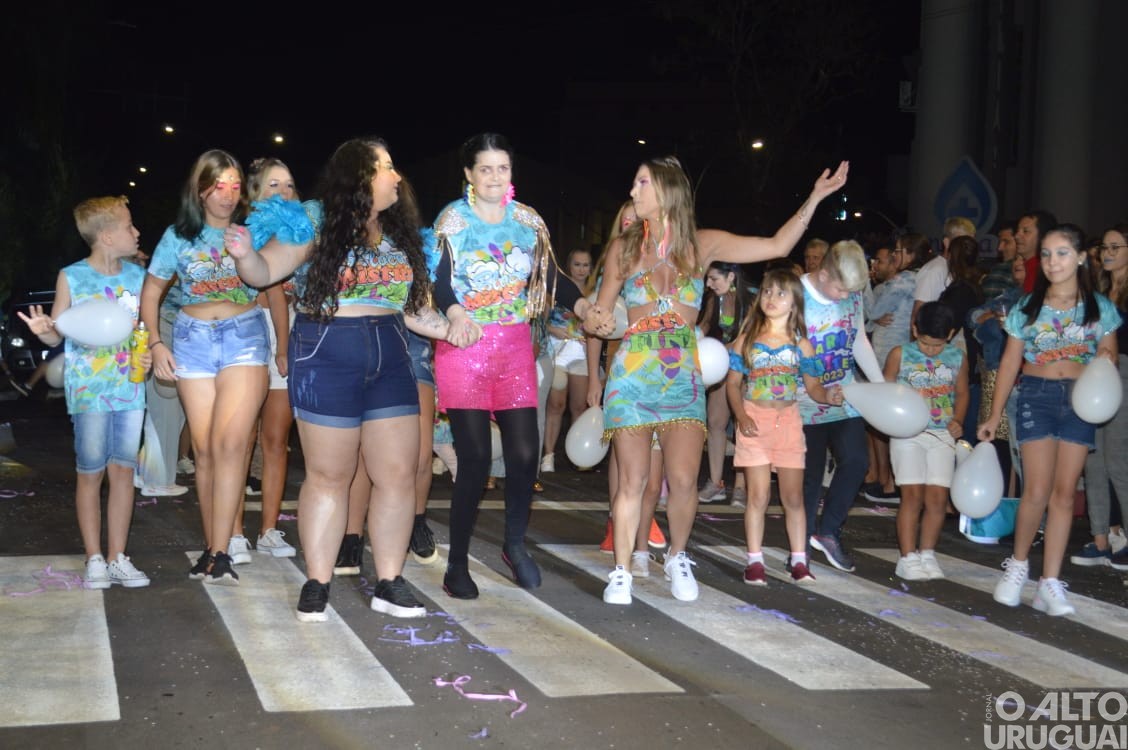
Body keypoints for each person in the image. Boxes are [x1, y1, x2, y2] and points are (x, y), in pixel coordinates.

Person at [227, 137, 470, 621]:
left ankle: (389, 581)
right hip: (327, 350)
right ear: (360, 175)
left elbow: (412, 308)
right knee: (329, 475)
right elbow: (265, 269)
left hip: (391, 352)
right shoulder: (316, 219)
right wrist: (243, 256)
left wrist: (452, 328)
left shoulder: (400, 232)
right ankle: (317, 583)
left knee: (398, 473)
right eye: (387, 167)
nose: (397, 176)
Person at [594, 154, 850, 605]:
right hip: (632, 375)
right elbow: (600, 310)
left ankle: (676, 557)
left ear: (667, 190)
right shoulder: (624, 248)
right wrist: (591, 316)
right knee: (633, 480)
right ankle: (622, 571)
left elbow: (777, 244)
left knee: (683, 480)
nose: (633, 192)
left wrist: (815, 198)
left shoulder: (703, 245)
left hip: (681, 378)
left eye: (642, 182)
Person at [431, 132, 598, 600]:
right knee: (475, 458)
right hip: (465, 349)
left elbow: (550, 277)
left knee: (525, 453)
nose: (494, 177)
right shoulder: (452, 220)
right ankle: (457, 564)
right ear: (469, 174)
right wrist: (455, 313)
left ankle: (514, 544)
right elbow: (438, 280)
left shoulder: (527, 221)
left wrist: (583, 307)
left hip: (515, 350)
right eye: (485, 169)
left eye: (502, 168)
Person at [978, 223, 1121, 616]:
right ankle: (1017, 565)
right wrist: (993, 414)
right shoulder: (1028, 306)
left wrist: (1105, 357)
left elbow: (1109, 355)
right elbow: (1010, 362)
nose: (1052, 261)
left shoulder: (1100, 307)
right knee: (1036, 490)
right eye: (1045, 254)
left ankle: (1049, 582)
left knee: (1064, 494)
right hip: (1036, 397)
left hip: (1080, 401)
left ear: (1080, 257)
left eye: (1061, 253)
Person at [142, 149, 269, 586]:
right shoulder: (178, 236)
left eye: (235, 186)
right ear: (200, 190)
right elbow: (151, 292)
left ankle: (222, 550)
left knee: (230, 443)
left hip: (244, 337)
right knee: (206, 450)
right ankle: (213, 548)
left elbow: (272, 275)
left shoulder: (252, 231)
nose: (228, 195)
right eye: (218, 187)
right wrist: (156, 342)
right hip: (191, 340)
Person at [18, 195, 152, 589]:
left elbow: (143, 329)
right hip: (89, 391)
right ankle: (94, 557)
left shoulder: (137, 277)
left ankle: (117, 557)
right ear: (107, 236)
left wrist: (147, 354)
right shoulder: (72, 277)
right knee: (91, 472)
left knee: (124, 471)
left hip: (129, 387)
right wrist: (45, 332)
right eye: (129, 226)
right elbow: (60, 330)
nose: (136, 232)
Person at [726, 268, 843, 586]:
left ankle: (799, 560)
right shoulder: (746, 341)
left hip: (788, 423)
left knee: (793, 498)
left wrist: (829, 396)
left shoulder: (802, 345)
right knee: (758, 496)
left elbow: (814, 387)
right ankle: (754, 561)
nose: (771, 298)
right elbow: (733, 385)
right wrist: (741, 416)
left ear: (794, 303)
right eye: (767, 291)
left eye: (781, 293)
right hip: (755, 421)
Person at [798, 240, 886, 573]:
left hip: (845, 395)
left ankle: (828, 531)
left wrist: (879, 386)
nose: (845, 296)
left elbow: (858, 339)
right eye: (840, 289)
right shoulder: (795, 295)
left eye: (851, 291)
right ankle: (800, 546)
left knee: (857, 461)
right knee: (809, 477)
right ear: (823, 274)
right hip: (803, 399)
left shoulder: (851, 294)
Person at [229, 157, 301, 561]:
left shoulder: (303, 233)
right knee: (242, 438)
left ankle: (269, 530)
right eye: (274, 185)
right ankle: (233, 530)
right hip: (251, 334)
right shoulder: (243, 233)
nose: (283, 193)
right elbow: (268, 292)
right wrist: (281, 347)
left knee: (276, 440)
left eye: (289, 185)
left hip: (289, 333)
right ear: (255, 192)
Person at [588, 200, 667, 554]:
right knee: (622, 457)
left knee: (655, 455)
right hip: (623, 373)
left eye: (638, 218)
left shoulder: (662, 263)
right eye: (625, 221)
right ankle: (616, 521)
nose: (632, 225)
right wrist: (594, 378)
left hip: (661, 373)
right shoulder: (614, 267)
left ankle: (645, 518)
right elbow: (594, 328)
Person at [883, 301, 968, 580]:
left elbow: (962, 392)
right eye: (924, 343)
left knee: (938, 498)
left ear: (951, 334)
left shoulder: (957, 357)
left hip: (942, 434)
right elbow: (885, 390)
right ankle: (907, 557)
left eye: (937, 345)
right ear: (914, 329)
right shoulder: (900, 354)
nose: (930, 351)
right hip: (907, 434)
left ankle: (927, 553)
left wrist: (958, 419)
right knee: (912, 496)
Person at [1072, 223, 1128, 570]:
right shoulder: (1100, 291)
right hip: (1093, 376)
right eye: (1104, 247)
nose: (1107, 253)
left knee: (1118, 460)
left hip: (1123, 373)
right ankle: (1100, 539)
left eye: (1115, 247)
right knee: (1092, 459)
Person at [863, 232, 928, 501]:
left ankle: (891, 481)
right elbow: (871, 320)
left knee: (889, 421)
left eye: (898, 252)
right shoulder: (900, 281)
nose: (894, 256)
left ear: (910, 255)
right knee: (880, 420)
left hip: (891, 358)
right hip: (884, 356)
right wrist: (874, 318)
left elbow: (873, 312)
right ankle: (885, 478)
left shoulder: (905, 280)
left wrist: (862, 283)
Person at [696, 261, 751, 505]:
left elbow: (749, 337)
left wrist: (723, 349)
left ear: (731, 277)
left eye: (714, 279)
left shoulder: (751, 300)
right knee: (715, 422)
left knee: (742, 424)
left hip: (745, 367)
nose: (709, 284)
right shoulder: (713, 300)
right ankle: (716, 482)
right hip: (720, 365)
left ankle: (740, 485)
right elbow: (704, 326)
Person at [541, 248, 594, 472]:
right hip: (557, 352)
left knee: (579, 406)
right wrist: (553, 329)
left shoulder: (596, 294)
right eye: (577, 264)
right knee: (556, 404)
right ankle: (548, 456)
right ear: (569, 266)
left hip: (582, 355)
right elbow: (540, 321)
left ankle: (577, 455)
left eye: (585, 265)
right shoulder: (556, 290)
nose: (581, 269)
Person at [980, 219, 1018, 301]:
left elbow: (990, 305)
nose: (999, 248)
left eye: (1006, 242)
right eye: (1000, 242)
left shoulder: (1002, 270)